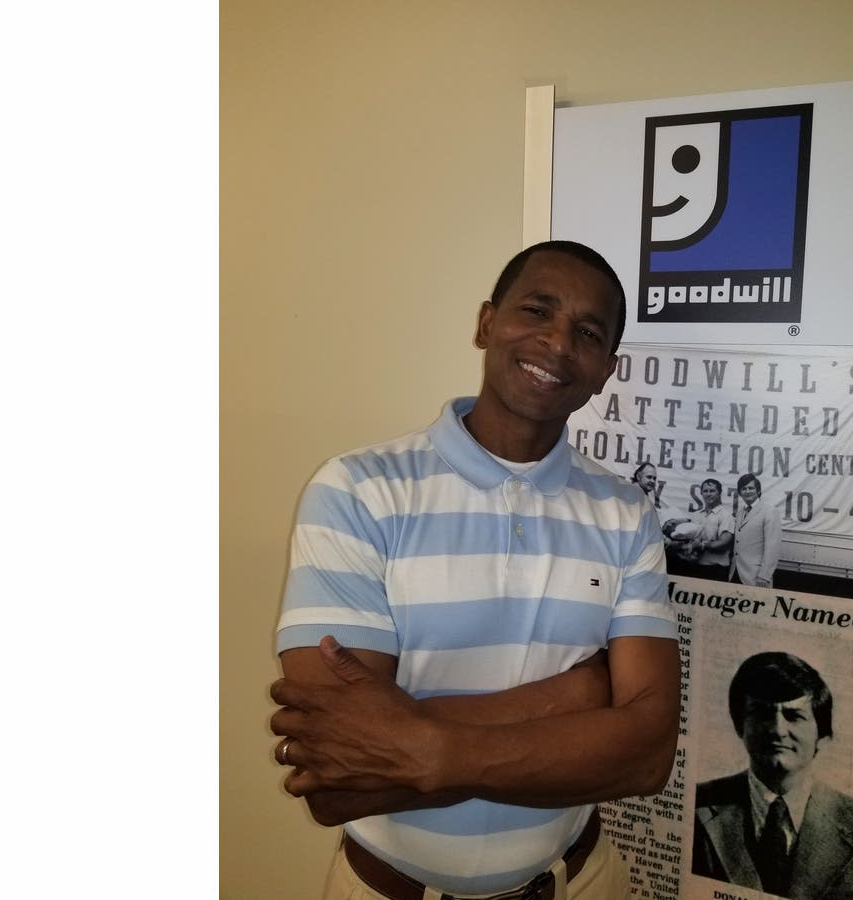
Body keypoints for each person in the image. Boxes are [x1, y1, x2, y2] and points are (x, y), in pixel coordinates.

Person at [269, 240, 680, 900]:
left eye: (587, 333)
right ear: (487, 323)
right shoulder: (356, 491)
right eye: (536, 310)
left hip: (581, 882)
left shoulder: (626, 512)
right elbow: (337, 783)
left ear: (606, 369)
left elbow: (647, 756)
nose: (556, 342)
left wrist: (427, 752)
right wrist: (574, 697)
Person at [691, 652, 853, 900]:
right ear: (740, 725)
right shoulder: (696, 804)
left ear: (821, 733)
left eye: (794, 716)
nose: (778, 730)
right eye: (761, 713)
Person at [663, 477, 734, 581]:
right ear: (701, 493)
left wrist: (701, 545)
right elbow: (689, 538)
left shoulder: (726, 516)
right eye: (705, 491)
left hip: (716, 569)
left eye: (712, 491)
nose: (708, 494)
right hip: (695, 567)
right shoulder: (696, 515)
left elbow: (724, 542)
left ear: (719, 493)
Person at [728, 474, 782, 588]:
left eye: (751, 488)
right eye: (744, 489)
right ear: (740, 493)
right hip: (735, 573)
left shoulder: (769, 511)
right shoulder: (740, 513)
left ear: (758, 491)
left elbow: (772, 547)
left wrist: (765, 576)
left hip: (756, 577)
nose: (747, 491)